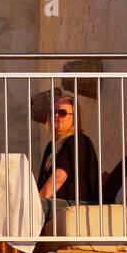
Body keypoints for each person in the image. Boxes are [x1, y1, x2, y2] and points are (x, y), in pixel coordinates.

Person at [37, 91, 99, 226]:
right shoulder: (51, 146)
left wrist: (35, 204)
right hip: (59, 204)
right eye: (53, 112)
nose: (56, 116)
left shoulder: (78, 140)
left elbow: (58, 179)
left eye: (62, 113)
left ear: (75, 118)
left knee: (26, 210)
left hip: (80, 204)